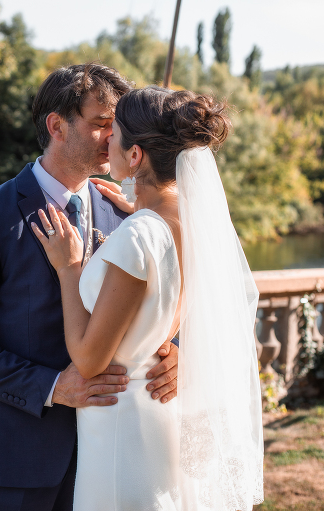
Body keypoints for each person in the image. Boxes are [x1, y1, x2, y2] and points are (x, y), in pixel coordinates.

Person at [0, 64, 180, 511]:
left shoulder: (126, 213)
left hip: (108, 452)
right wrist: (52, 387)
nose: (114, 137)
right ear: (57, 126)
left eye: (116, 127)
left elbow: (157, 303)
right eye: (102, 124)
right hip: (16, 459)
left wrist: (172, 351)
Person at [31, 86, 264, 510]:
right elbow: (233, 303)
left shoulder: (139, 235)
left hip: (119, 425)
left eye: (114, 132)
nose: (107, 141)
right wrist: (140, 209)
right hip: (159, 414)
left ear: (135, 156)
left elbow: (88, 359)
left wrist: (68, 269)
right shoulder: (195, 226)